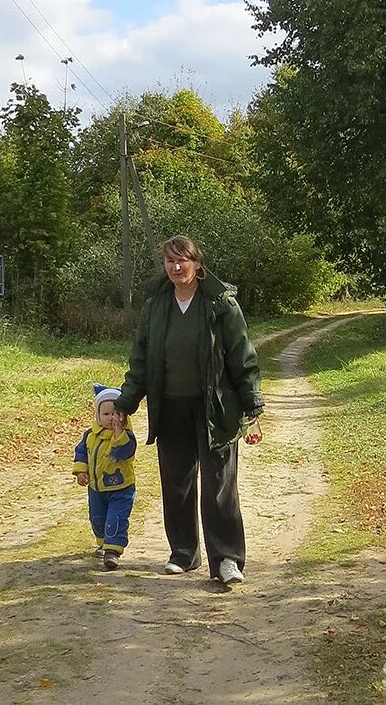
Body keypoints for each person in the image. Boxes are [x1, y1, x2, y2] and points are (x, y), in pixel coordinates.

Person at [112, 236, 264, 585]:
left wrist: (252, 400)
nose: (177, 267)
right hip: (170, 407)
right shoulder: (156, 305)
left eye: (183, 261)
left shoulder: (219, 303)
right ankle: (183, 553)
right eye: (170, 262)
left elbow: (242, 354)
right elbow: (141, 360)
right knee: (176, 484)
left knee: (219, 486)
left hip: (216, 408)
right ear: (165, 267)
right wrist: (126, 401)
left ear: (198, 264)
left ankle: (227, 559)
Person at [72, 385, 137, 571]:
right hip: (96, 488)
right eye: (106, 414)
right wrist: (80, 471)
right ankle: (103, 543)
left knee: (116, 518)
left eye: (116, 414)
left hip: (121, 488)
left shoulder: (126, 437)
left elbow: (124, 452)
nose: (111, 418)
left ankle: (113, 551)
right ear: (98, 416)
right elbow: (82, 453)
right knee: (97, 518)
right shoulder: (90, 435)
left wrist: (118, 433)